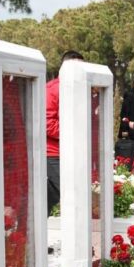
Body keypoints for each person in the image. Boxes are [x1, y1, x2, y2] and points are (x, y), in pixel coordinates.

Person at [45, 50, 85, 212]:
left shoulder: (81, 89)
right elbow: (47, 123)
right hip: (54, 152)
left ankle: (37, 218)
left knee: (55, 193)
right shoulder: (52, 89)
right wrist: (72, 133)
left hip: (73, 150)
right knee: (68, 192)